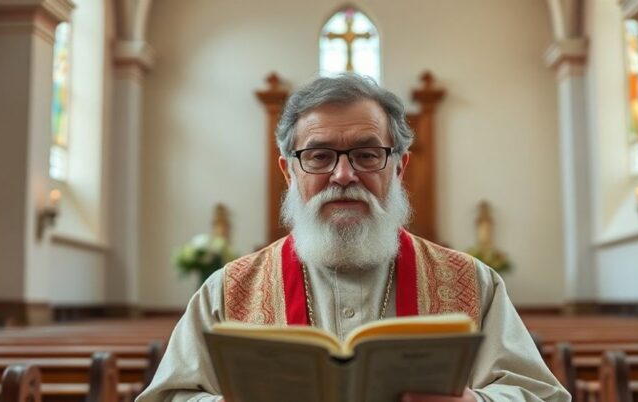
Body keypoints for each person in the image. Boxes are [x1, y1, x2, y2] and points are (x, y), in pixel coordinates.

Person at [136, 74, 570, 402]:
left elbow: (540, 394)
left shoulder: (473, 282)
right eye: (320, 156)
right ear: (289, 171)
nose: (343, 176)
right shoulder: (227, 291)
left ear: (398, 167)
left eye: (366, 154)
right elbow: (168, 396)